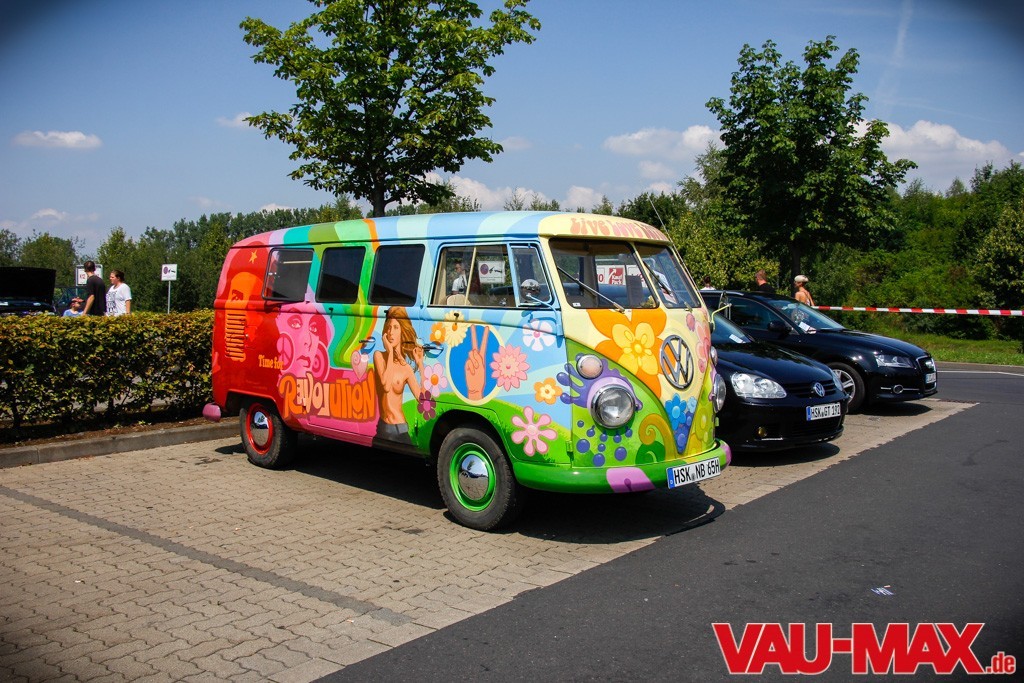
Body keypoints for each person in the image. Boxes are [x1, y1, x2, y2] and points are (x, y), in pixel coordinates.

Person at [372, 306, 425, 443]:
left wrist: (420, 365)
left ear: (402, 331)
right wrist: (390, 352)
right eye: (389, 327)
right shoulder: (379, 356)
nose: (390, 332)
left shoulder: (406, 368)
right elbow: (385, 385)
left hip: (401, 429)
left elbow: (421, 399)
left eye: (396, 327)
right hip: (384, 426)